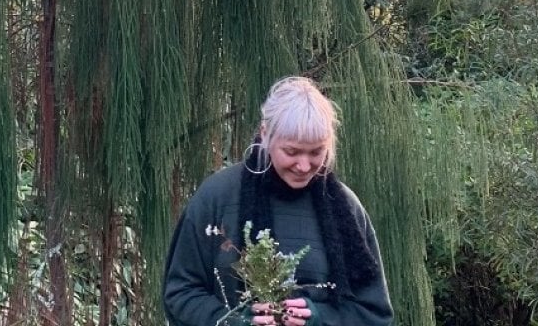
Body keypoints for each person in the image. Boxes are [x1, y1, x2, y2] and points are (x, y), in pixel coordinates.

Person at [163, 76, 393, 326]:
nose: (304, 166)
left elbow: (374, 313)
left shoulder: (346, 208)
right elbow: (180, 294)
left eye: (316, 152)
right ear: (265, 134)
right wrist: (235, 322)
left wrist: (320, 319)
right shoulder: (216, 197)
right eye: (292, 152)